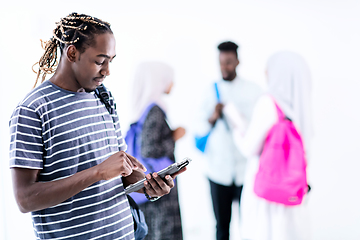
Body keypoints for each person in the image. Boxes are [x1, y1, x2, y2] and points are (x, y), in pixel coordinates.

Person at [9, 13, 185, 240]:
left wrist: (148, 184)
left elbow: (119, 171)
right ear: (72, 53)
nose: (107, 70)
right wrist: (97, 172)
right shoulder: (33, 110)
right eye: (100, 61)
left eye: (111, 60)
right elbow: (25, 199)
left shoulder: (103, 97)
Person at [223, 51, 313, 240]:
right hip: (293, 193)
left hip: (266, 194)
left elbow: (250, 148)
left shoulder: (269, 103)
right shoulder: (302, 108)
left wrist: (237, 129)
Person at [195, 41, 262, 240]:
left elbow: (259, 127)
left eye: (229, 62)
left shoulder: (253, 91)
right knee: (222, 227)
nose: (225, 67)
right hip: (218, 171)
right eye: (221, 63)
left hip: (246, 171)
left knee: (250, 225)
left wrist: (238, 118)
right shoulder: (209, 91)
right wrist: (213, 116)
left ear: (238, 61)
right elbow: (198, 129)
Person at [128, 61, 185, 240]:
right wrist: (174, 137)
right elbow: (149, 149)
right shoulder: (155, 110)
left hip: (148, 188)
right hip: (158, 189)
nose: (172, 84)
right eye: (169, 79)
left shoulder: (144, 108)